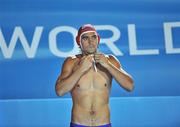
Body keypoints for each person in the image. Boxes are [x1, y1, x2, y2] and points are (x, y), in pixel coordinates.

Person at [55, 24, 134, 127]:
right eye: (85, 38)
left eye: (93, 37)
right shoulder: (71, 62)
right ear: (79, 41)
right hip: (79, 124)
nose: (90, 42)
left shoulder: (110, 60)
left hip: (103, 124)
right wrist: (81, 69)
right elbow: (60, 91)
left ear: (98, 39)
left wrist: (108, 65)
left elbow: (130, 86)